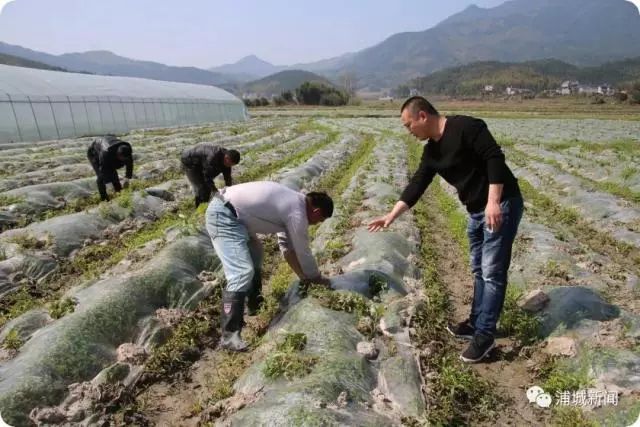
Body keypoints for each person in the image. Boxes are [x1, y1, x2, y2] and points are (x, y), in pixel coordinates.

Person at [368, 96, 524, 363]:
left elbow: (494, 158)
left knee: (492, 272)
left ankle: (485, 335)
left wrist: (493, 202)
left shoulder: (466, 127)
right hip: (475, 210)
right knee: (478, 269)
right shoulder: (432, 152)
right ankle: (476, 322)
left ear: (422, 117)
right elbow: (418, 183)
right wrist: (390, 216)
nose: (408, 131)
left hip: (501, 204)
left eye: (408, 125)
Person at [206, 181, 333, 351]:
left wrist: (304, 278)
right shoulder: (297, 213)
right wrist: (316, 278)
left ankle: (254, 305)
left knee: (256, 255)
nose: (316, 224)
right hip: (224, 216)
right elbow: (303, 251)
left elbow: (287, 248)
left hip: (237, 217)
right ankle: (229, 335)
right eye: (319, 221)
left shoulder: (292, 204)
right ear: (316, 211)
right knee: (241, 272)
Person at [87, 135, 134, 202]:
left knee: (112, 171)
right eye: (122, 158)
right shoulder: (106, 153)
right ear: (118, 155)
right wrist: (109, 185)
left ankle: (119, 193)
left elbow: (130, 165)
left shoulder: (127, 151)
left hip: (109, 152)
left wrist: (127, 179)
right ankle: (104, 199)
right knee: (101, 177)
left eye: (125, 159)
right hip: (94, 153)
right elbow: (103, 169)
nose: (123, 160)